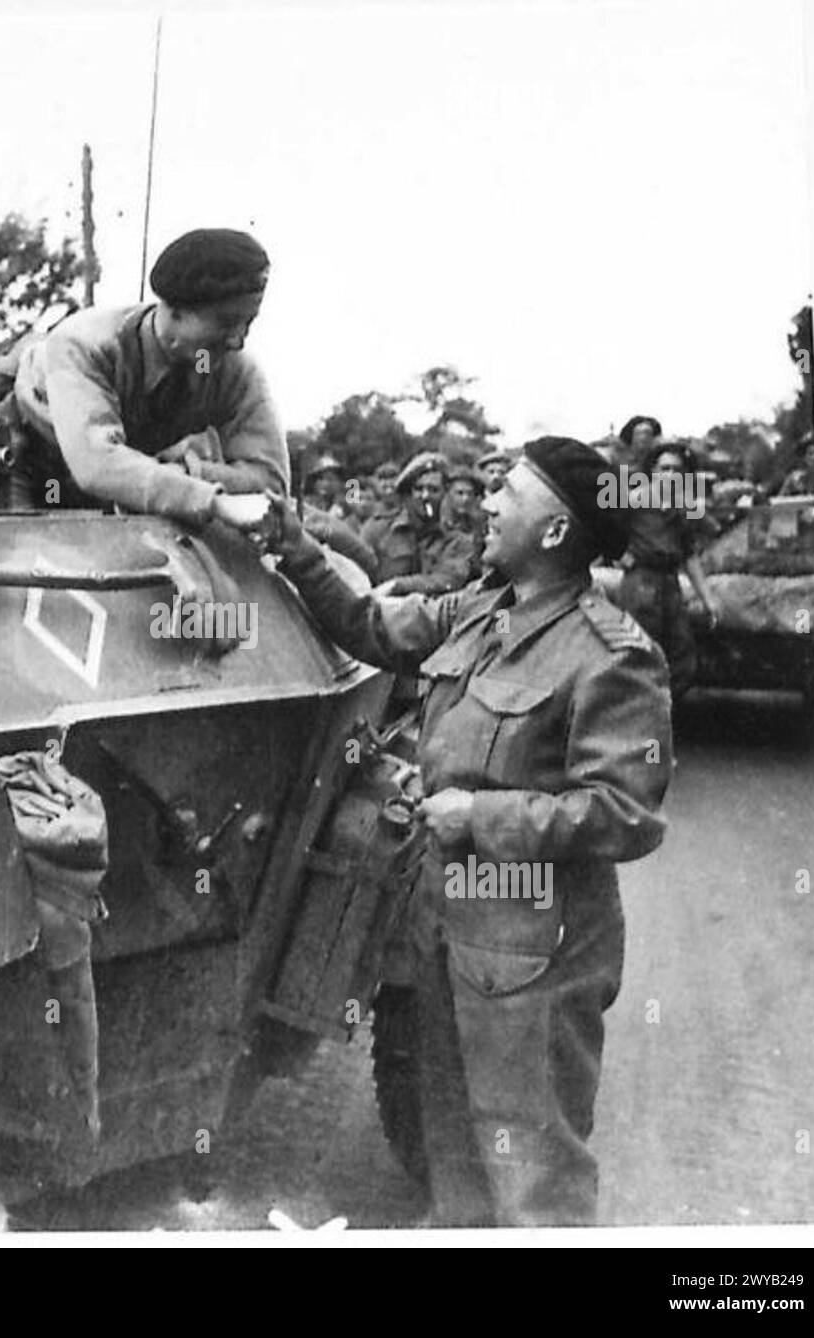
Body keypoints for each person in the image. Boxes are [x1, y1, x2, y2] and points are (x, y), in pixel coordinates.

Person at [268, 437, 673, 1227]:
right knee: (452, 1170)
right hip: (447, 940)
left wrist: (479, 816)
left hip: (533, 960)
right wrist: (295, 546)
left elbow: (627, 813)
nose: (486, 502)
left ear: (556, 532)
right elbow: (371, 626)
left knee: (533, 1182)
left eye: (508, 494)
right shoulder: (482, 611)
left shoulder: (612, 657)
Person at [0, 228, 285, 534]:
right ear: (174, 310)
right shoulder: (86, 344)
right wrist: (211, 499)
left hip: (92, 480)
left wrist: (187, 472)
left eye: (248, 323)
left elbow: (270, 482)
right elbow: (98, 464)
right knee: (27, 579)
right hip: (10, 456)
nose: (238, 339)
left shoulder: (232, 369)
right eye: (225, 322)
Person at [612, 435, 719, 701]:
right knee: (639, 653)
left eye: (677, 470)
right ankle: (634, 717)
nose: (670, 475)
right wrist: (620, 556)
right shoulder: (632, 499)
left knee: (682, 658)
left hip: (670, 584)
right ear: (652, 471)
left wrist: (708, 599)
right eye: (664, 469)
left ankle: (661, 712)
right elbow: (604, 530)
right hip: (640, 582)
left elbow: (690, 555)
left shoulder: (684, 507)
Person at [362, 452, 477, 594]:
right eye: (419, 489)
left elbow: (447, 579)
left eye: (433, 490)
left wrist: (397, 585)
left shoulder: (458, 540)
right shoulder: (379, 529)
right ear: (409, 493)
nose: (425, 496)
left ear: (445, 494)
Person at [441, 464, 488, 572]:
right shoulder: (438, 524)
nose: (465, 499)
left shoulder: (478, 524)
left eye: (469, 493)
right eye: (460, 493)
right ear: (448, 493)